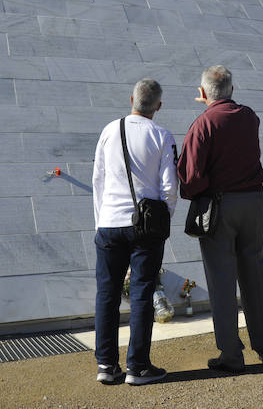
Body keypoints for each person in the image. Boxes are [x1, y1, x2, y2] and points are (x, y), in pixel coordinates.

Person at [177, 65, 263, 372]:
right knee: (255, 274)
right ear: (232, 90)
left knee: (222, 280)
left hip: (220, 206)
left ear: (203, 93)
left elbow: (191, 179)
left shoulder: (202, 123)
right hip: (255, 201)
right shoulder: (249, 116)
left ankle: (231, 355)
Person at [92, 78, 178, 385]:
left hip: (109, 222)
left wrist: (100, 220)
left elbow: (98, 180)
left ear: (131, 99)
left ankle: (106, 364)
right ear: (158, 105)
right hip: (145, 226)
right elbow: (169, 188)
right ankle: (138, 366)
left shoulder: (108, 131)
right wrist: (162, 220)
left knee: (107, 293)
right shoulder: (162, 135)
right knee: (142, 292)